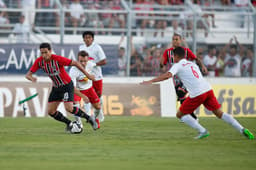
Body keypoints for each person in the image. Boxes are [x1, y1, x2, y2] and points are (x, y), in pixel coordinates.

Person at [140, 47, 254, 140]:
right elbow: (193, 78)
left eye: (173, 56)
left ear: (177, 56)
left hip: (198, 93)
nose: (172, 58)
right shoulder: (192, 64)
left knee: (180, 114)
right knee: (219, 113)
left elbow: (168, 75)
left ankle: (203, 131)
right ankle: (242, 129)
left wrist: (151, 81)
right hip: (208, 89)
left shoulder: (178, 65)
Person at [25, 43, 98, 133]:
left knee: (69, 108)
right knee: (51, 111)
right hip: (56, 88)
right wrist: (31, 78)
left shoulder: (57, 59)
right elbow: (28, 75)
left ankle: (89, 118)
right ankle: (69, 123)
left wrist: (88, 75)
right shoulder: (39, 61)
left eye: (46, 52)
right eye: (42, 53)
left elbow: (75, 63)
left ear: (50, 51)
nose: (44, 55)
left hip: (67, 86)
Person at [160, 33, 208, 121]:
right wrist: (162, 65)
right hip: (175, 78)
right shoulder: (168, 52)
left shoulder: (186, 51)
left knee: (181, 93)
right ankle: (189, 115)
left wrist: (203, 66)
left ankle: (189, 116)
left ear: (180, 41)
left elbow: (196, 59)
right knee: (181, 96)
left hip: (186, 77)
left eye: (177, 39)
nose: (175, 41)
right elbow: (162, 63)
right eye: (173, 39)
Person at [69, 50, 102, 129]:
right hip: (78, 90)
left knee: (98, 107)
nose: (83, 63)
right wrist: (83, 96)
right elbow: (73, 88)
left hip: (89, 89)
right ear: (78, 60)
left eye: (85, 61)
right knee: (75, 106)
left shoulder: (90, 64)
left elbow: (97, 64)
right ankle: (79, 123)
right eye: (81, 61)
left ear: (88, 60)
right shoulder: (73, 70)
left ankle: (94, 118)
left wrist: (95, 76)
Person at [79, 31, 106, 122]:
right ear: (83, 39)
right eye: (85, 37)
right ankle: (88, 115)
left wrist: (94, 64)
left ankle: (100, 112)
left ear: (92, 39)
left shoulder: (97, 48)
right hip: (86, 75)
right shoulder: (81, 48)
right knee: (86, 94)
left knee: (98, 96)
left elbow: (104, 61)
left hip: (97, 76)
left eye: (89, 37)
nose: (87, 39)